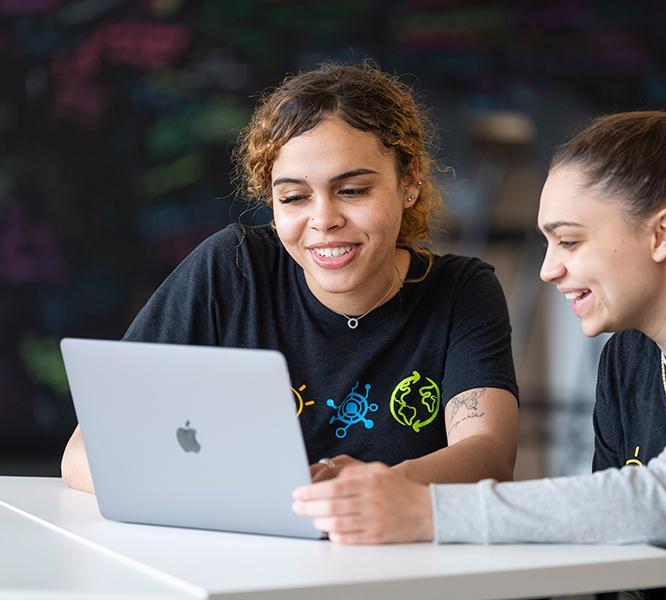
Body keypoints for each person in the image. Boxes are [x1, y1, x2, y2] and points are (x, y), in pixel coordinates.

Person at [291, 103, 666, 597]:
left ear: (662, 233)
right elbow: (613, 541)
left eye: (570, 242)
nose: (550, 270)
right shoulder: (628, 354)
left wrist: (428, 512)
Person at [61, 63, 519, 494]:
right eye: (295, 197)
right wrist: (224, 491)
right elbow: (83, 454)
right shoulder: (233, 268)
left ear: (409, 183)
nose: (323, 219)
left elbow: (488, 455)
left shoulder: (462, 292)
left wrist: (377, 488)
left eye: (353, 190)